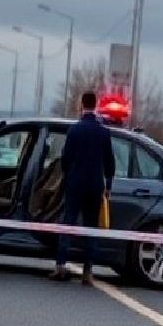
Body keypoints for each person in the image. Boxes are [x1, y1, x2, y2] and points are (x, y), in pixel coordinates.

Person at [49, 91, 115, 286]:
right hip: (95, 185)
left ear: (81, 105)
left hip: (76, 183)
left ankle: (60, 266)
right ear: (95, 106)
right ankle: (87, 271)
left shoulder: (75, 130)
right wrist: (108, 185)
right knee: (91, 228)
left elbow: (66, 158)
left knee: (68, 223)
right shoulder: (103, 132)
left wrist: (68, 176)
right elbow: (110, 162)